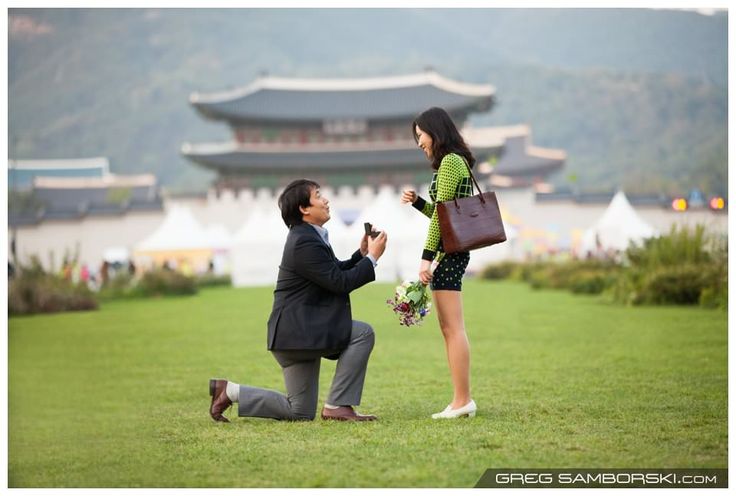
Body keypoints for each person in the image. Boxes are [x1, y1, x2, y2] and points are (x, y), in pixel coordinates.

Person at [209, 179, 388, 423]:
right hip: (300, 334)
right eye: (318, 195)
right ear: (304, 208)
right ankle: (338, 406)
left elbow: (333, 272)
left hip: (292, 336)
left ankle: (229, 391)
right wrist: (373, 259)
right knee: (362, 333)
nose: (326, 200)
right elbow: (340, 282)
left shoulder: (307, 236)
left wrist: (362, 256)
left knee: (299, 412)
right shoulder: (304, 241)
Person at [401, 106, 477, 419]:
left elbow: (442, 219)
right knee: (449, 328)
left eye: (421, 136)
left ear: (436, 131)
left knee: (453, 328)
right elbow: (443, 216)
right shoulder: (454, 162)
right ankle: (460, 399)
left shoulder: (449, 162)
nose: (419, 142)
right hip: (453, 251)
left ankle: (463, 400)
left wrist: (426, 260)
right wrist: (420, 203)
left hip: (448, 254)